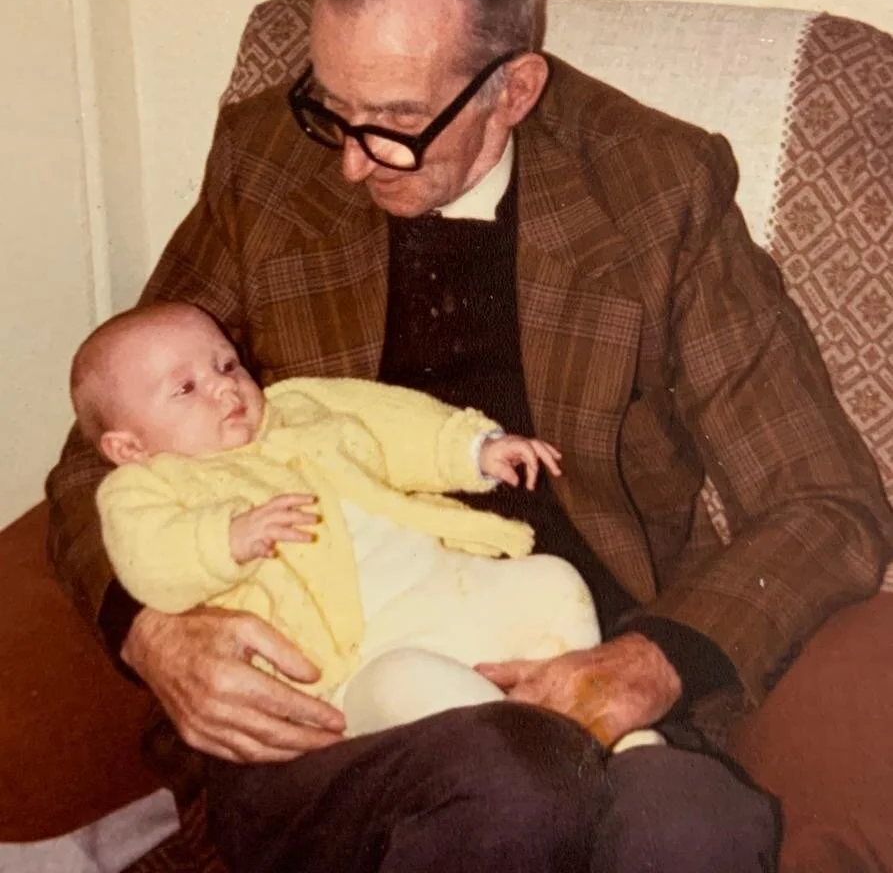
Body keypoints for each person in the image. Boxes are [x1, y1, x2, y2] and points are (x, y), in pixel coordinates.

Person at [46, 0, 893, 873]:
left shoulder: (655, 191)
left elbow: (820, 497)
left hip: (570, 649)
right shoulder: (266, 159)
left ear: (514, 91)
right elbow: (100, 451)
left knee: (696, 823)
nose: (350, 165)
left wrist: (649, 662)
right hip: (332, 694)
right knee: (509, 778)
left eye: (396, 121)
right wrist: (149, 630)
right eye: (332, 108)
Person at [74, 299, 646, 743]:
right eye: (185, 388)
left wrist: (474, 449)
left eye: (227, 364)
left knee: (552, 581)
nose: (225, 385)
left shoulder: (299, 407)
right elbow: (147, 560)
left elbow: (392, 424)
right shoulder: (144, 488)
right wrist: (224, 540)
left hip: (444, 590)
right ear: (129, 447)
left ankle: (598, 724)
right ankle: (549, 750)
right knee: (411, 686)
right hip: (353, 664)